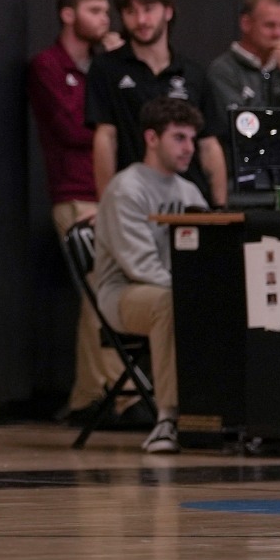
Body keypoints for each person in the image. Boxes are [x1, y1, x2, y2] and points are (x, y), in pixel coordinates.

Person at [28, 0, 125, 419]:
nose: (105, 18)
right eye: (95, 9)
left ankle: (101, 390)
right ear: (68, 15)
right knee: (97, 288)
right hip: (75, 194)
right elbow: (73, 127)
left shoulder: (105, 68)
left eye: (107, 10)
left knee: (113, 288)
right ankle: (104, 393)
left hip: (114, 190)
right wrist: (111, 126)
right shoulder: (48, 65)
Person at [90, 97, 208, 453]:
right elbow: (139, 267)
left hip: (168, 290)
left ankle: (229, 415)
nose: (189, 148)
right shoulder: (127, 189)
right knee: (169, 302)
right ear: (152, 139)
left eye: (191, 139)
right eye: (179, 138)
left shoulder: (189, 190)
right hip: (124, 294)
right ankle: (168, 420)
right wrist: (192, 295)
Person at [87, 0, 227, 206]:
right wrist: (106, 204)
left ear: (168, 12)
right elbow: (105, 138)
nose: (141, 20)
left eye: (149, 9)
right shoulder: (107, 68)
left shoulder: (192, 73)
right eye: (131, 12)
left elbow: (209, 145)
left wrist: (221, 208)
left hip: (191, 199)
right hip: (134, 198)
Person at [208, 0, 280, 115]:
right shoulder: (224, 70)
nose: (278, 34)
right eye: (270, 25)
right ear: (246, 24)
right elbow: (239, 125)